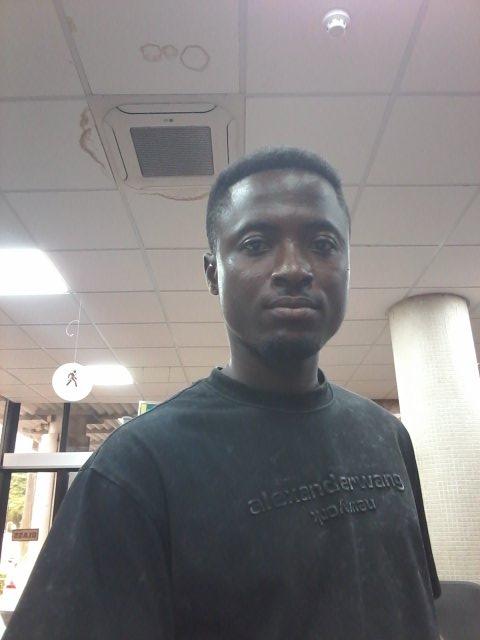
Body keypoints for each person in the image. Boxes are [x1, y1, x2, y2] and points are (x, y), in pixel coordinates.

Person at [4, 147, 441, 640]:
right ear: (213, 273)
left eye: (323, 244)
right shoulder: (137, 467)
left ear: (347, 266)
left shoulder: (386, 436)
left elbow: (419, 608)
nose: (294, 268)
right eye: (256, 244)